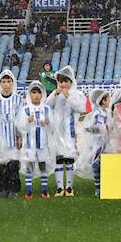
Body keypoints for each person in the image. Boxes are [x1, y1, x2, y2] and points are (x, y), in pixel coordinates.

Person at [46, 66, 89, 197]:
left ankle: (69, 187)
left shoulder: (77, 94)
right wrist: (55, 94)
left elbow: (81, 108)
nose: (63, 84)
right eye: (61, 81)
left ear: (71, 81)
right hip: (57, 132)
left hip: (70, 132)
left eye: (66, 81)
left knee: (69, 159)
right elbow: (47, 106)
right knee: (59, 159)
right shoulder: (55, 94)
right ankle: (60, 188)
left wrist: (68, 97)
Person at [0, 69, 23, 199]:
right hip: (0, 139)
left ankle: (13, 189)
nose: (6, 84)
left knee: (13, 165)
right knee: (3, 167)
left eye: (9, 81)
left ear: (12, 83)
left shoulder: (18, 99)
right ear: (0, 83)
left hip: (13, 139)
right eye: (4, 81)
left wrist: (20, 136)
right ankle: (3, 189)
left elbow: (21, 119)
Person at [16, 82, 53, 200]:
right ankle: (29, 190)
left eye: (38, 93)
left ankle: (44, 190)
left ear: (42, 95)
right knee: (29, 166)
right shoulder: (25, 109)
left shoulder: (46, 109)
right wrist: (27, 120)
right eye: (34, 92)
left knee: (43, 166)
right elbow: (20, 126)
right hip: (29, 144)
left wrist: (49, 123)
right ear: (30, 94)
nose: (36, 95)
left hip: (43, 143)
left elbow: (53, 127)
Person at [81, 89, 111, 198]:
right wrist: (100, 129)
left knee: (102, 165)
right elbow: (88, 129)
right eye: (108, 99)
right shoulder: (97, 114)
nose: (109, 101)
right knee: (97, 165)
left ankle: (103, 187)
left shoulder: (105, 112)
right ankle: (98, 188)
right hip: (97, 145)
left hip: (103, 143)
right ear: (103, 101)